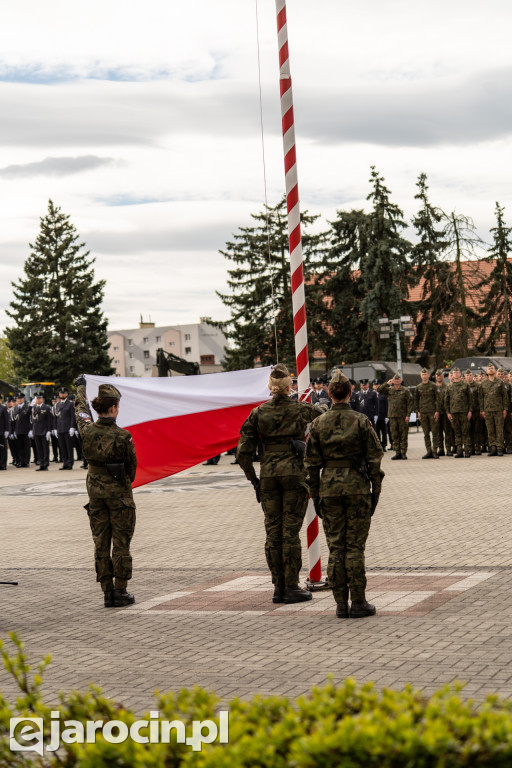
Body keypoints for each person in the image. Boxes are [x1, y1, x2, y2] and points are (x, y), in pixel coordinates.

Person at [237, 363, 326, 605]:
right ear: (289, 386)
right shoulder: (299, 409)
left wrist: (253, 480)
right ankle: (290, 586)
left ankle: (278, 586)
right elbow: (323, 417)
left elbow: (242, 453)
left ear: (270, 386)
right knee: (289, 534)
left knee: (272, 533)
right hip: (294, 475)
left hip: (268, 477)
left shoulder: (258, 413)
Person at [304, 371, 384, 619]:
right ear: (351, 393)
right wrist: (375, 492)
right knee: (355, 548)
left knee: (336, 548)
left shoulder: (318, 424)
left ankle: (340, 603)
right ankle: (358, 602)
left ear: (329, 394)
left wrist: (316, 496)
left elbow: (311, 465)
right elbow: (375, 458)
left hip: (329, 490)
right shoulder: (361, 421)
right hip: (357, 489)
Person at [74, 376, 137, 608]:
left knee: (100, 542)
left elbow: (79, 408)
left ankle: (107, 591)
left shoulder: (87, 430)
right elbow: (132, 470)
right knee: (121, 543)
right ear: (113, 407)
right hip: (119, 495)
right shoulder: (123, 436)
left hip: (95, 494)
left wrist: (80, 387)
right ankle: (120, 591)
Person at [377, 374, 412, 460]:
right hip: (392, 416)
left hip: (402, 416)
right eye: (395, 379)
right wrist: (387, 383)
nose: (396, 380)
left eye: (398, 379)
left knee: (403, 435)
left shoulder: (405, 390)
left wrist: (408, 415)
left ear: (400, 380)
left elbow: (410, 403)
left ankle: (403, 453)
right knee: (394, 435)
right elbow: (379, 390)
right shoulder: (389, 390)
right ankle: (397, 452)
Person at [479, 363, 507, 456]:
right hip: (488, 410)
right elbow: (481, 398)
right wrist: (482, 410)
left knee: (499, 429)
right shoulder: (483, 383)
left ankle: (499, 448)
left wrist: (505, 409)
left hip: (499, 409)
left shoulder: (500, 382)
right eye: (489, 368)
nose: (491, 369)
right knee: (490, 429)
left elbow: (504, 396)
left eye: (492, 368)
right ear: (486, 371)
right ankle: (493, 447)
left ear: (495, 371)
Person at [445, 367, 472, 458]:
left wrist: (470, 411)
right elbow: (447, 401)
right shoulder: (449, 387)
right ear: (452, 374)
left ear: (460, 374)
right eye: (454, 372)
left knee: (465, 431)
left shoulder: (465, 385)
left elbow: (470, 399)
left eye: (458, 372)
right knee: (457, 432)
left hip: (464, 412)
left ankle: (467, 451)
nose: (456, 374)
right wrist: (448, 412)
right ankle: (459, 450)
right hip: (454, 412)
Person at [414, 368, 439, 459]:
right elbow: (416, 400)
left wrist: (437, 411)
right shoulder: (418, 387)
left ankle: (435, 451)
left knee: (435, 432)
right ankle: (428, 451)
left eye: (426, 374)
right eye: (422, 374)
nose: (424, 376)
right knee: (426, 433)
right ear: (421, 376)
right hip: (423, 412)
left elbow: (438, 399)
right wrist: (418, 412)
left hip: (432, 412)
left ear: (428, 375)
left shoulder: (433, 386)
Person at [55, 387, 76, 470]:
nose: (62, 394)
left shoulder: (70, 403)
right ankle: (65, 463)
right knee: (62, 447)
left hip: (67, 428)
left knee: (68, 447)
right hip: (60, 428)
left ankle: (70, 463)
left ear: (67, 394)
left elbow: (72, 416)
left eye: (64, 393)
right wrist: (55, 428)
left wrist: (72, 427)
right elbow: (56, 417)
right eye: (61, 393)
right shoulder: (58, 404)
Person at [31, 392, 52, 471]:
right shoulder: (34, 408)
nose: (38, 399)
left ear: (42, 399)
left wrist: (49, 430)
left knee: (45, 448)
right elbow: (33, 420)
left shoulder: (46, 407)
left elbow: (49, 420)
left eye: (39, 398)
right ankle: (41, 463)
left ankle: (45, 464)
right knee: (39, 448)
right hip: (36, 430)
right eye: (37, 398)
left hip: (44, 430)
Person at [12, 392, 31, 467]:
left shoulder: (28, 407)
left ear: (24, 399)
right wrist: (13, 431)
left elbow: (31, 419)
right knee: (19, 447)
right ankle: (21, 461)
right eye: (18, 399)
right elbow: (14, 420)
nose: (19, 400)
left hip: (26, 430)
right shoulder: (15, 408)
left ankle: (26, 462)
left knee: (26, 447)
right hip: (18, 430)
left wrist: (31, 429)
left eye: (21, 398)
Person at [0, 396, 9, 470]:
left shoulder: (3, 408)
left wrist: (7, 430)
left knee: (2, 449)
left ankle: (3, 465)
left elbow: (7, 420)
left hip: (2, 432)